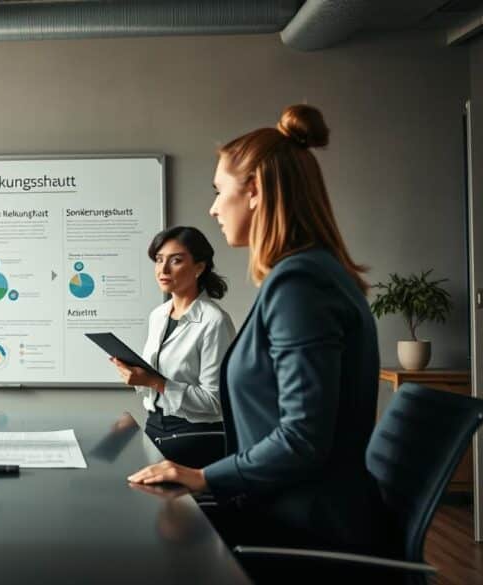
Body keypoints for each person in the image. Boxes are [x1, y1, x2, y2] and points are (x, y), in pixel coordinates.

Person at [127, 105, 395, 558]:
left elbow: (303, 438)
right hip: (290, 510)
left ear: (253, 190)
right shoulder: (311, 274)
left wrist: (205, 477)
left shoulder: (300, 285)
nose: (213, 208)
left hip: (301, 527)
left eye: (219, 191)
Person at [110, 226, 235, 468]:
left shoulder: (214, 321)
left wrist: (154, 382)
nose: (163, 269)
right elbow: (155, 385)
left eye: (176, 260)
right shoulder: (158, 315)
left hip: (195, 435)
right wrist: (136, 378)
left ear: (199, 267)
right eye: (159, 260)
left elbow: (215, 402)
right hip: (155, 426)